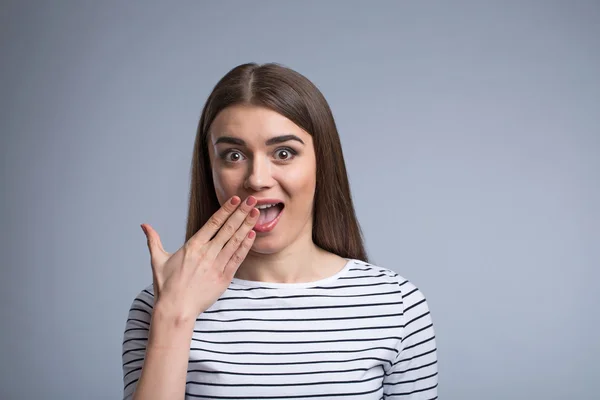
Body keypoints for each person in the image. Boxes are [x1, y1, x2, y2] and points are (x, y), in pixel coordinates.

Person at [122, 62, 438, 399]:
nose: (257, 178)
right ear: (210, 169)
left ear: (322, 162)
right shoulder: (159, 307)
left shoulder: (396, 303)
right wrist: (174, 316)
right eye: (233, 155)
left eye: (284, 153)